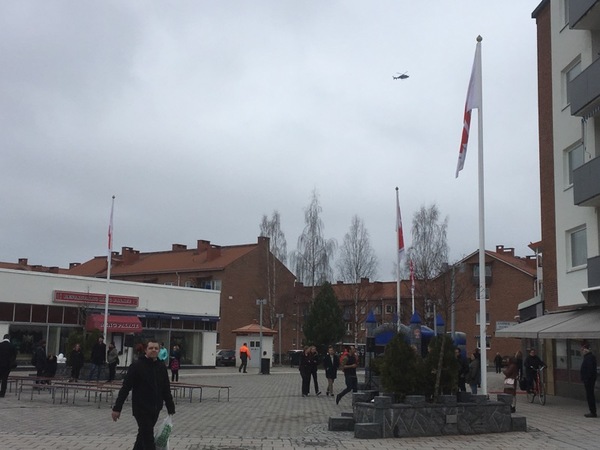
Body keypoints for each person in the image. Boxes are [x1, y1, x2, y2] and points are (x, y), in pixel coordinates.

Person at [111, 340, 176, 450]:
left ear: (159, 350)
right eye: (151, 348)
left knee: (142, 437)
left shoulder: (161, 367)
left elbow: (165, 388)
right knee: (148, 438)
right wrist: (117, 408)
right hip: (141, 409)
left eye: (156, 348)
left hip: (155, 408)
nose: (153, 350)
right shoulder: (137, 366)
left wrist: (170, 406)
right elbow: (125, 388)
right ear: (146, 350)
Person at [580, 342, 597, 418]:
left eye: (582, 350)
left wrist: (586, 379)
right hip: (589, 379)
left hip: (589, 380)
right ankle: (592, 411)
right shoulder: (588, 357)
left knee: (590, 395)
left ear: (585, 350)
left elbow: (590, 369)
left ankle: (593, 412)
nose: (582, 351)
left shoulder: (589, 357)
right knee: (589, 395)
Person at [0, 334, 17, 398]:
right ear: (9, 338)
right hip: (7, 366)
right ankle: (2, 393)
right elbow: (14, 355)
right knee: (4, 379)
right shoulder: (12, 346)